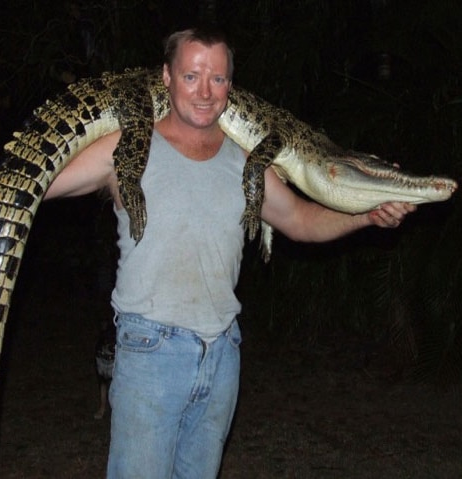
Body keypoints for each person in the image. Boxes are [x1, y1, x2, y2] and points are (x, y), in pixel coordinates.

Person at [45, 27, 416, 479]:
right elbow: (39, 181)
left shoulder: (243, 159)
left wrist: (367, 215)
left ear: (230, 87)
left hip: (221, 354)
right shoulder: (126, 146)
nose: (205, 92)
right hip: (150, 354)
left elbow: (300, 220)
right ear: (165, 77)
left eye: (217, 79)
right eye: (191, 77)